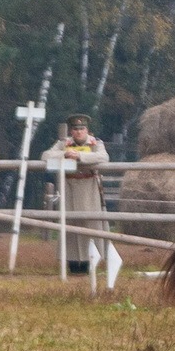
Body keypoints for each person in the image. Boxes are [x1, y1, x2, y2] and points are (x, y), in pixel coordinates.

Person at [42, 114, 109, 271]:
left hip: (89, 187)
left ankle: (91, 261)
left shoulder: (96, 143)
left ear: (87, 130)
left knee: (91, 223)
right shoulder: (63, 144)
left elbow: (103, 157)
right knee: (70, 223)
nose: (79, 132)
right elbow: (46, 155)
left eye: (82, 129)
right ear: (71, 131)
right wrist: (65, 154)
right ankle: (72, 262)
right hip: (69, 187)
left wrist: (79, 156)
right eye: (75, 129)